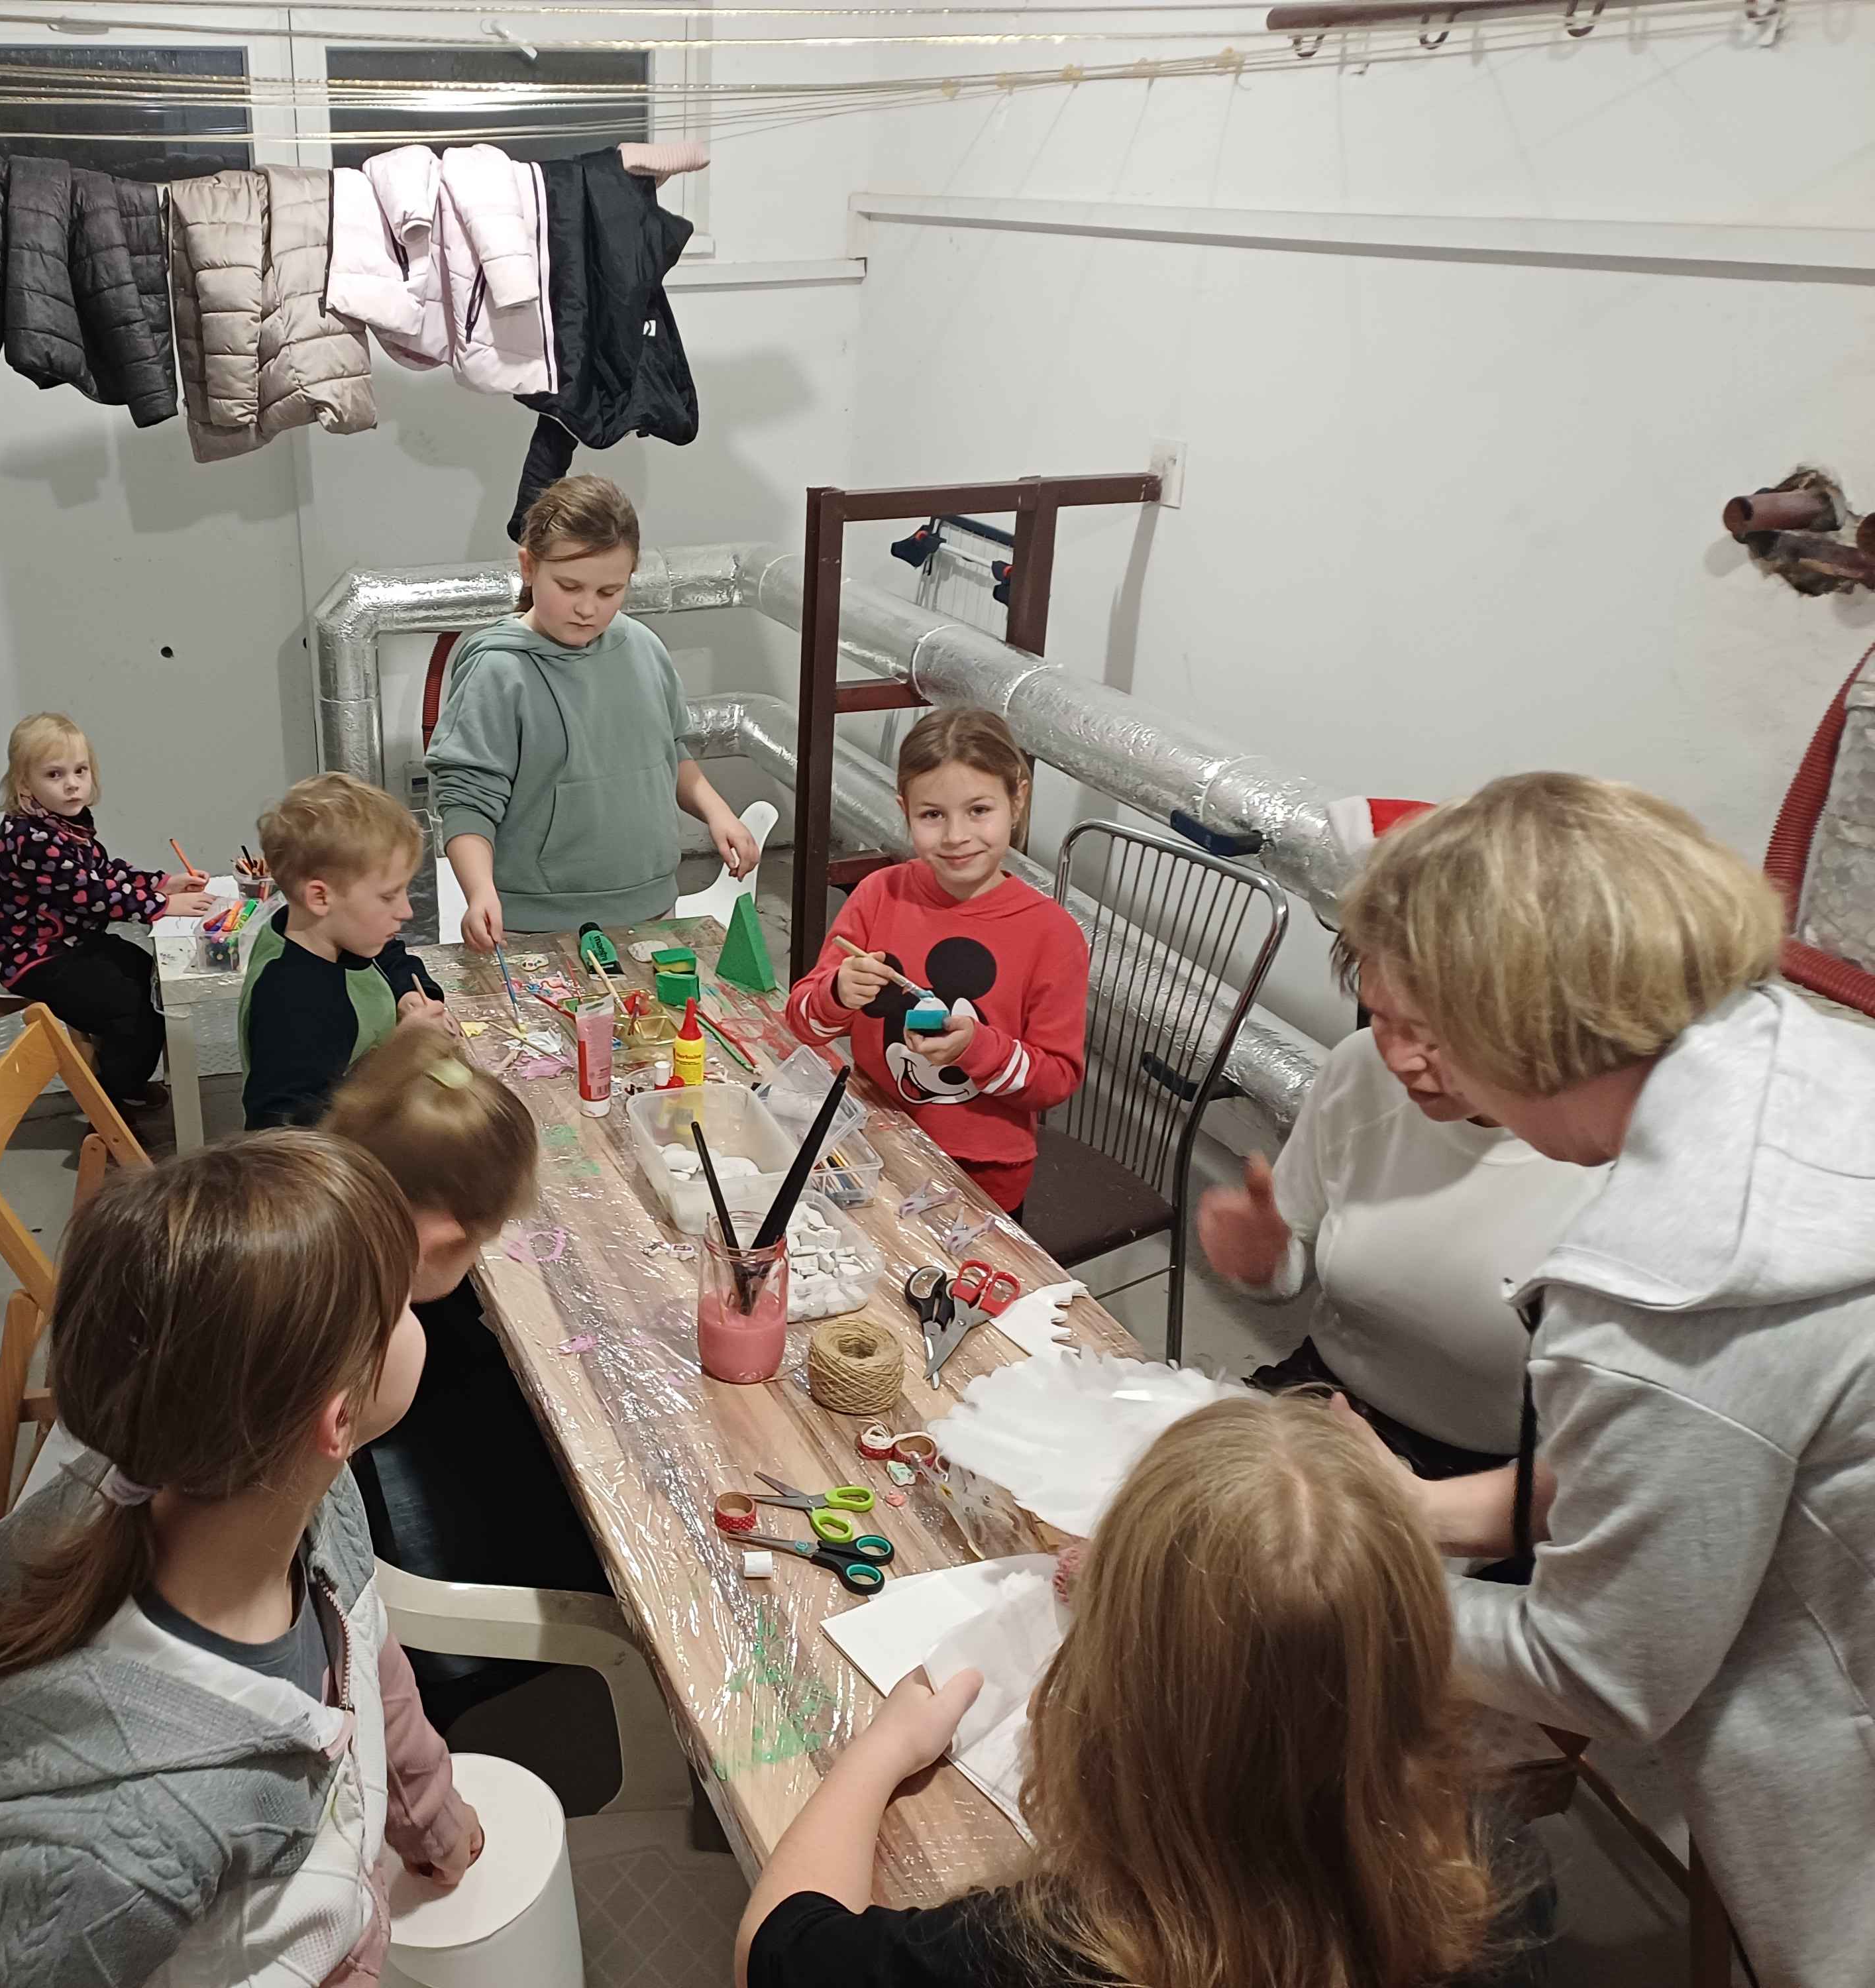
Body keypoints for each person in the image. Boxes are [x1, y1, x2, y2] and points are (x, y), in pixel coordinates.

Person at [1324, 771, 1875, 1987]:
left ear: (1518, 1015)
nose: (1407, 1061)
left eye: (1425, 1027)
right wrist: (1419, 1510)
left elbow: (1600, 1671)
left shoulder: (1674, 1292)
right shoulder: (1797, 1054)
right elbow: (1712, 1467)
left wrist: (1330, 1589)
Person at [0, 1133, 483, 1987]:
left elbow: (370, 1667)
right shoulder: (116, 1851)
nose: (413, 1318)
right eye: (397, 1308)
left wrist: (429, 1817)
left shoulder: (307, 1497)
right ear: (337, 1417)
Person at [735, 1396, 1538, 1988]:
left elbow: (776, 1952)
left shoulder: (1048, 1953)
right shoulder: (1488, 1876)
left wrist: (882, 1751)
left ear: (1107, 1700)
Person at [1195, 938, 1605, 1482]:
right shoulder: (1361, 1068)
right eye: (1382, 1017)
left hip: (1498, 1474)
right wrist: (1263, 1262)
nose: (1398, 1059)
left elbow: (1613, 1457)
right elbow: (1290, 1268)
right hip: (1323, 1398)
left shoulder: (1609, 1157)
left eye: (1436, 1036)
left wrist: (1440, 1508)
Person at [322, 1030, 608, 1719]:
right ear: (449, 1237)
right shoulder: (390, 1346)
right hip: (343, 1627)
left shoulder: (317, 1241)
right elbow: (330, 1549)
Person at [429, 475, 757, 948]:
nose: (587, 608)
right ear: (528, 567)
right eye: (569, 586)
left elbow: (669, 753)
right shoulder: (497, 670)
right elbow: (467, 799)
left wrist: (718, 813)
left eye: (609, 592)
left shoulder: (643, 647)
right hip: (537, 925)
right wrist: (479, 892)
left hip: (653, 907)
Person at [784, 708, 1089, 1213]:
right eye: (932, 815)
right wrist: (837, 992)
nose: (955, 836)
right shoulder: (879, 893)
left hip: (980, 1178)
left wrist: (977, 1049)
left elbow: (1055, 1081)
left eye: (978, 810)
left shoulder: (1052, 935)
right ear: (905, 810)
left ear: (1018, 800)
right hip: (871, 1146)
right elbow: (802, 1023)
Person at [0, 710, 214, 1104]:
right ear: (24, 784)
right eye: (54, 775)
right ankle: (112, 1105)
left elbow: (101, 872)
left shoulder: (61, 822)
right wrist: (163, 905)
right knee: (134, 1009)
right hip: (34, 957)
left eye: (80, 771)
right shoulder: (34, 839)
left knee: (150, 975)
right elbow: (92, 896)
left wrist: (159, 883)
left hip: (68, 941)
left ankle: (125, 1077)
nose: (72, 784)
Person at [239, 771, 451, 1131]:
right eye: (388, 896)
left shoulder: (322, 931)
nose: (406, 911)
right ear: (320, 897)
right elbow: (284, 1132)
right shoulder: (294, 1000)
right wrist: (399, 1053)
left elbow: (389, 956)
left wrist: (409, 995)